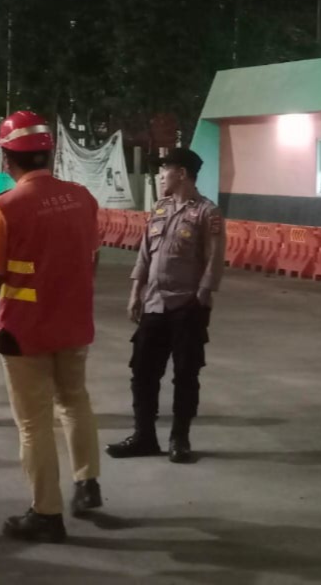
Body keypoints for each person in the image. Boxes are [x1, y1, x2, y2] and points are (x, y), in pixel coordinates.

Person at [0, 110, 101, 543]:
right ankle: (87, 481)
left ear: (7, 158)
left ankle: (46, 513)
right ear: (49, 154)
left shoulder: (5, 208)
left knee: (34, 423)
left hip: (24, 330)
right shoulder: (82, 198)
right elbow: (92, 258)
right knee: (75, 401)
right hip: (74, 323)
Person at [106, 147, 224, 465]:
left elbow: (214, 259)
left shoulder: (207, 213)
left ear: (181, 174)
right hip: (154, 304)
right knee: (142, 372)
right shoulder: (160, 208)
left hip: (187, 306)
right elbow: (145, 254)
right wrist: (136, 292)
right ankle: (144, 436)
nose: (161, 176)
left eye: (165, 170)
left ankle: (179, 439)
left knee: (185, 374)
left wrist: (202, 298)